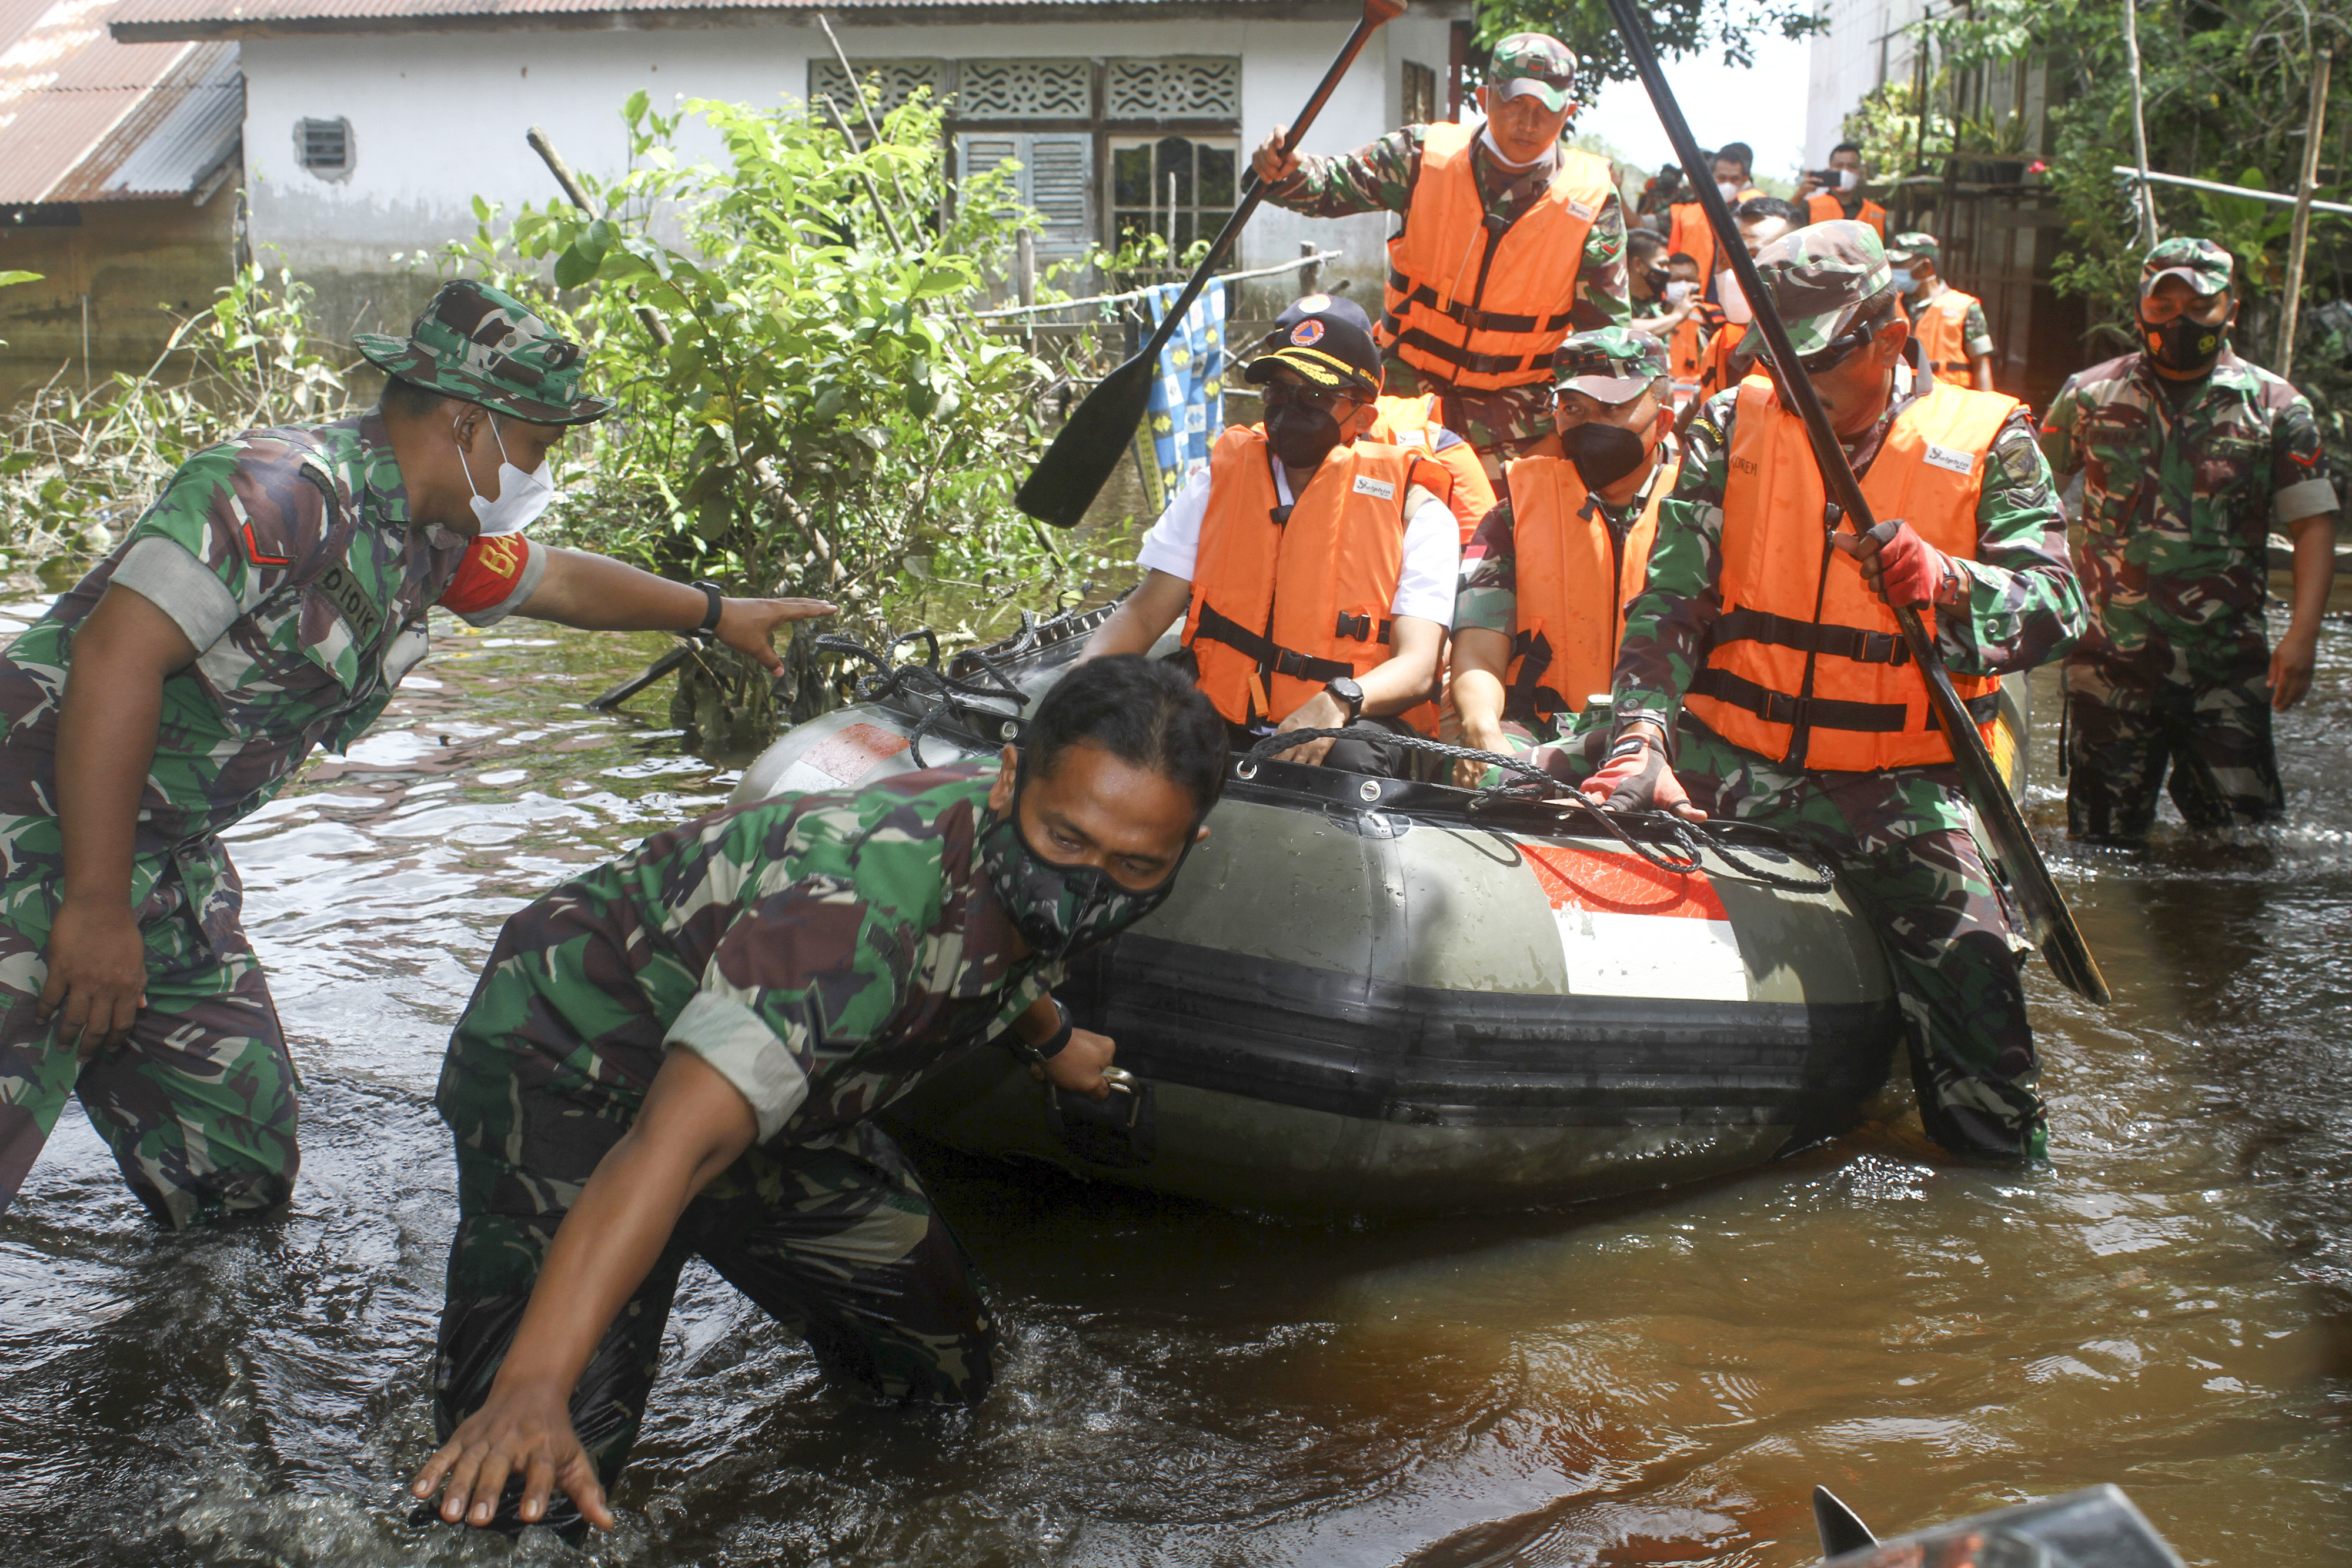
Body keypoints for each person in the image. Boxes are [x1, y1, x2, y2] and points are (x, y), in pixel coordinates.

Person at [0, 279, 836, 1227]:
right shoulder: (279, 492)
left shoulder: (431, 540)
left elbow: (558, 579)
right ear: (469, 424)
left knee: (236, 1166)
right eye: (539, 444)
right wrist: (98, 906)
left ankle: (189, 1349)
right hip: (33, 823)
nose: (542, 471)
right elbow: (115, 660)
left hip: (157, 851)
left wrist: (719, 614)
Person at [406, 656, 1227, 1537]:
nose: (1087, 883)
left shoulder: (1046, 848)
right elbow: (668, 1144)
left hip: (783, 1083)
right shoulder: (855, 907)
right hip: (579, 1060)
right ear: (1007, 781)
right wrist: (535, 1384)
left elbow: (1011, 935)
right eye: (1066, 841)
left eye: (1134, 863)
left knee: (946, 1376)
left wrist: (1054, 1039)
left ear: (1188, 849)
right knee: (523, 1494)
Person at [1589, 222, 2087, 1163]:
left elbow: (2058, 608)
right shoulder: (1737, 418)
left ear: (1891, 333)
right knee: (1533, 773)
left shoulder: (1993, 438)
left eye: (1817, 356)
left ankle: (1994, 1191)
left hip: (1893, 781)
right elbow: (1671, 597)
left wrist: (1945, 579)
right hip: (1726, 747)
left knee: (1976, 976)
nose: (1796, 382)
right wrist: (1644, 733)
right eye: (1781, 356)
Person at [2040, 237, 2340, 843]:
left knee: (2240, 853)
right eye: (2164, 303)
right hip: (2109, 666)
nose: (2180, 319)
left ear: (2229, 309)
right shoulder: (2088, 396)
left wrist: (2302, 636)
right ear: (2140, 310)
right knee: (2101, 849)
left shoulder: (2277, 408)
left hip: (2225, 669)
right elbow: (2030, 500)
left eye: (2199, 305)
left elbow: (2312, 526)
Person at [1081, 299, 1459, 776]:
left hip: (1352, 716)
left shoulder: (1418, 513)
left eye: (1317, 396)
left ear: (1362, 416)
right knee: (1126, 722)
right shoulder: (1219, 483)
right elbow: (1144, 611)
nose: (1290, 409)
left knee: (1349, 759)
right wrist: (1082, 679)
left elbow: (1420, 666)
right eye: (1279, 391)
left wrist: (1338, 702)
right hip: (1222, 703)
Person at [1249, 32, 1627, 476]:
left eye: (1546, 109)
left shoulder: (1595, 197)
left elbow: (1604, 339)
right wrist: (1284, 170)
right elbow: (1331, 184)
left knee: (1496, 542)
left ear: (1569, 112)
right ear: (1484, 98)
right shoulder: (1421, 156)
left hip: (1519, 424)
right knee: (1379, 530)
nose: (1529, 122)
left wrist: (1570, 432)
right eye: (1515, 103)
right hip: (1401, 396)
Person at [1451, 329, 1679, 787]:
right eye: (1573, 409)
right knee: (1488, 775)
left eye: (1612, 408)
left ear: (1664, 420)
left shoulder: (1702, 508)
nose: (1590, 424)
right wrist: (1480, 724)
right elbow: (1479, 647)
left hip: (1669, 734)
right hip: (1549, 731)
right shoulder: (1515, 511)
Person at [1255, 293, 1496, 540]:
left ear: (1376, 379)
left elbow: (1479, 556)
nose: (1295, 406)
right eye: (1280, 390)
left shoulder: (1436, 447)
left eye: (1317, 395)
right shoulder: (1248, 453)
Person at [1690, 196, 1801, 407]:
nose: (1734, 271)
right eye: (1725, 258)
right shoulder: (1723, 344)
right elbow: (1689, 420)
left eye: (1754, 258)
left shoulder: (1819, 358)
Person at [1886, 232, 1995, 391]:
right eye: (1891, 264)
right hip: (1899, 404)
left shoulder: (1965, 308)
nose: (1893, 270)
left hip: (1949, 406)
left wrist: (1986, 410)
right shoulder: (1889, 305)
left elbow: (1982, 365)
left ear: (1925, 267)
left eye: (1900, 265)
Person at [1668, 141, 1766, 303]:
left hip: (1735, 305)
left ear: (1744, 180)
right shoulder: (1688, 215)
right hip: (1692, 304)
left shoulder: (1753, 218)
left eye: (1735, 179)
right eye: (1722, 178)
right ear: (1710, 177)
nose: (1728, 183)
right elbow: (1673, 260)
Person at [1798, 143, 1888, 238]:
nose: (1845, 171)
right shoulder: (1809, 207)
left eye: (1852, 166)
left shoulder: (1878, 214)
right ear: (1829, 171)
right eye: (1839, 166)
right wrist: (1800, 194)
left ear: (1861, 173)